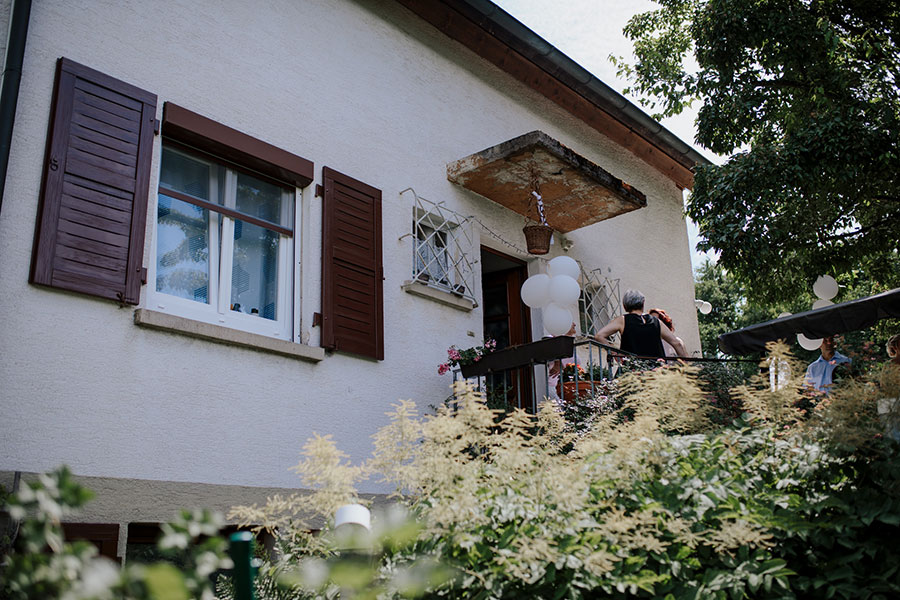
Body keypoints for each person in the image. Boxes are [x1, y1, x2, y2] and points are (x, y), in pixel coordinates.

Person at [594, 290, 687, 358]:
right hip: (656, 372)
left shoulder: (622, 320)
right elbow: (676, 343)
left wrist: (615, 354)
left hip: (633, 370)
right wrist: (685, 365)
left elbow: (599, 336)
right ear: (643, 303)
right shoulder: (656, 322)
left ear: (625, 306)